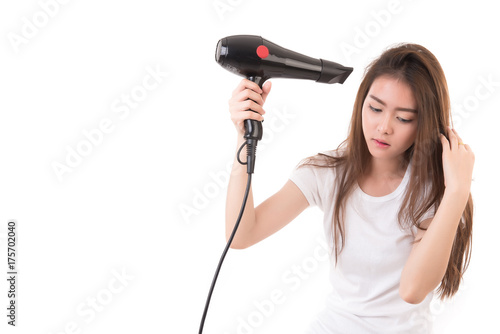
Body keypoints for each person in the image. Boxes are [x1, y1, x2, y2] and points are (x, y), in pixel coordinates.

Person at [225, 43, 474, 333]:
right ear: (361, 103)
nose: (383, 127)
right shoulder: (327, 173)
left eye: (403, 118)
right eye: (375, 108)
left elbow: (413, 291)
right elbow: (241, 234)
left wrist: (456, 192)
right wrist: (244, 137)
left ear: (424, 123)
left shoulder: (431, 191)